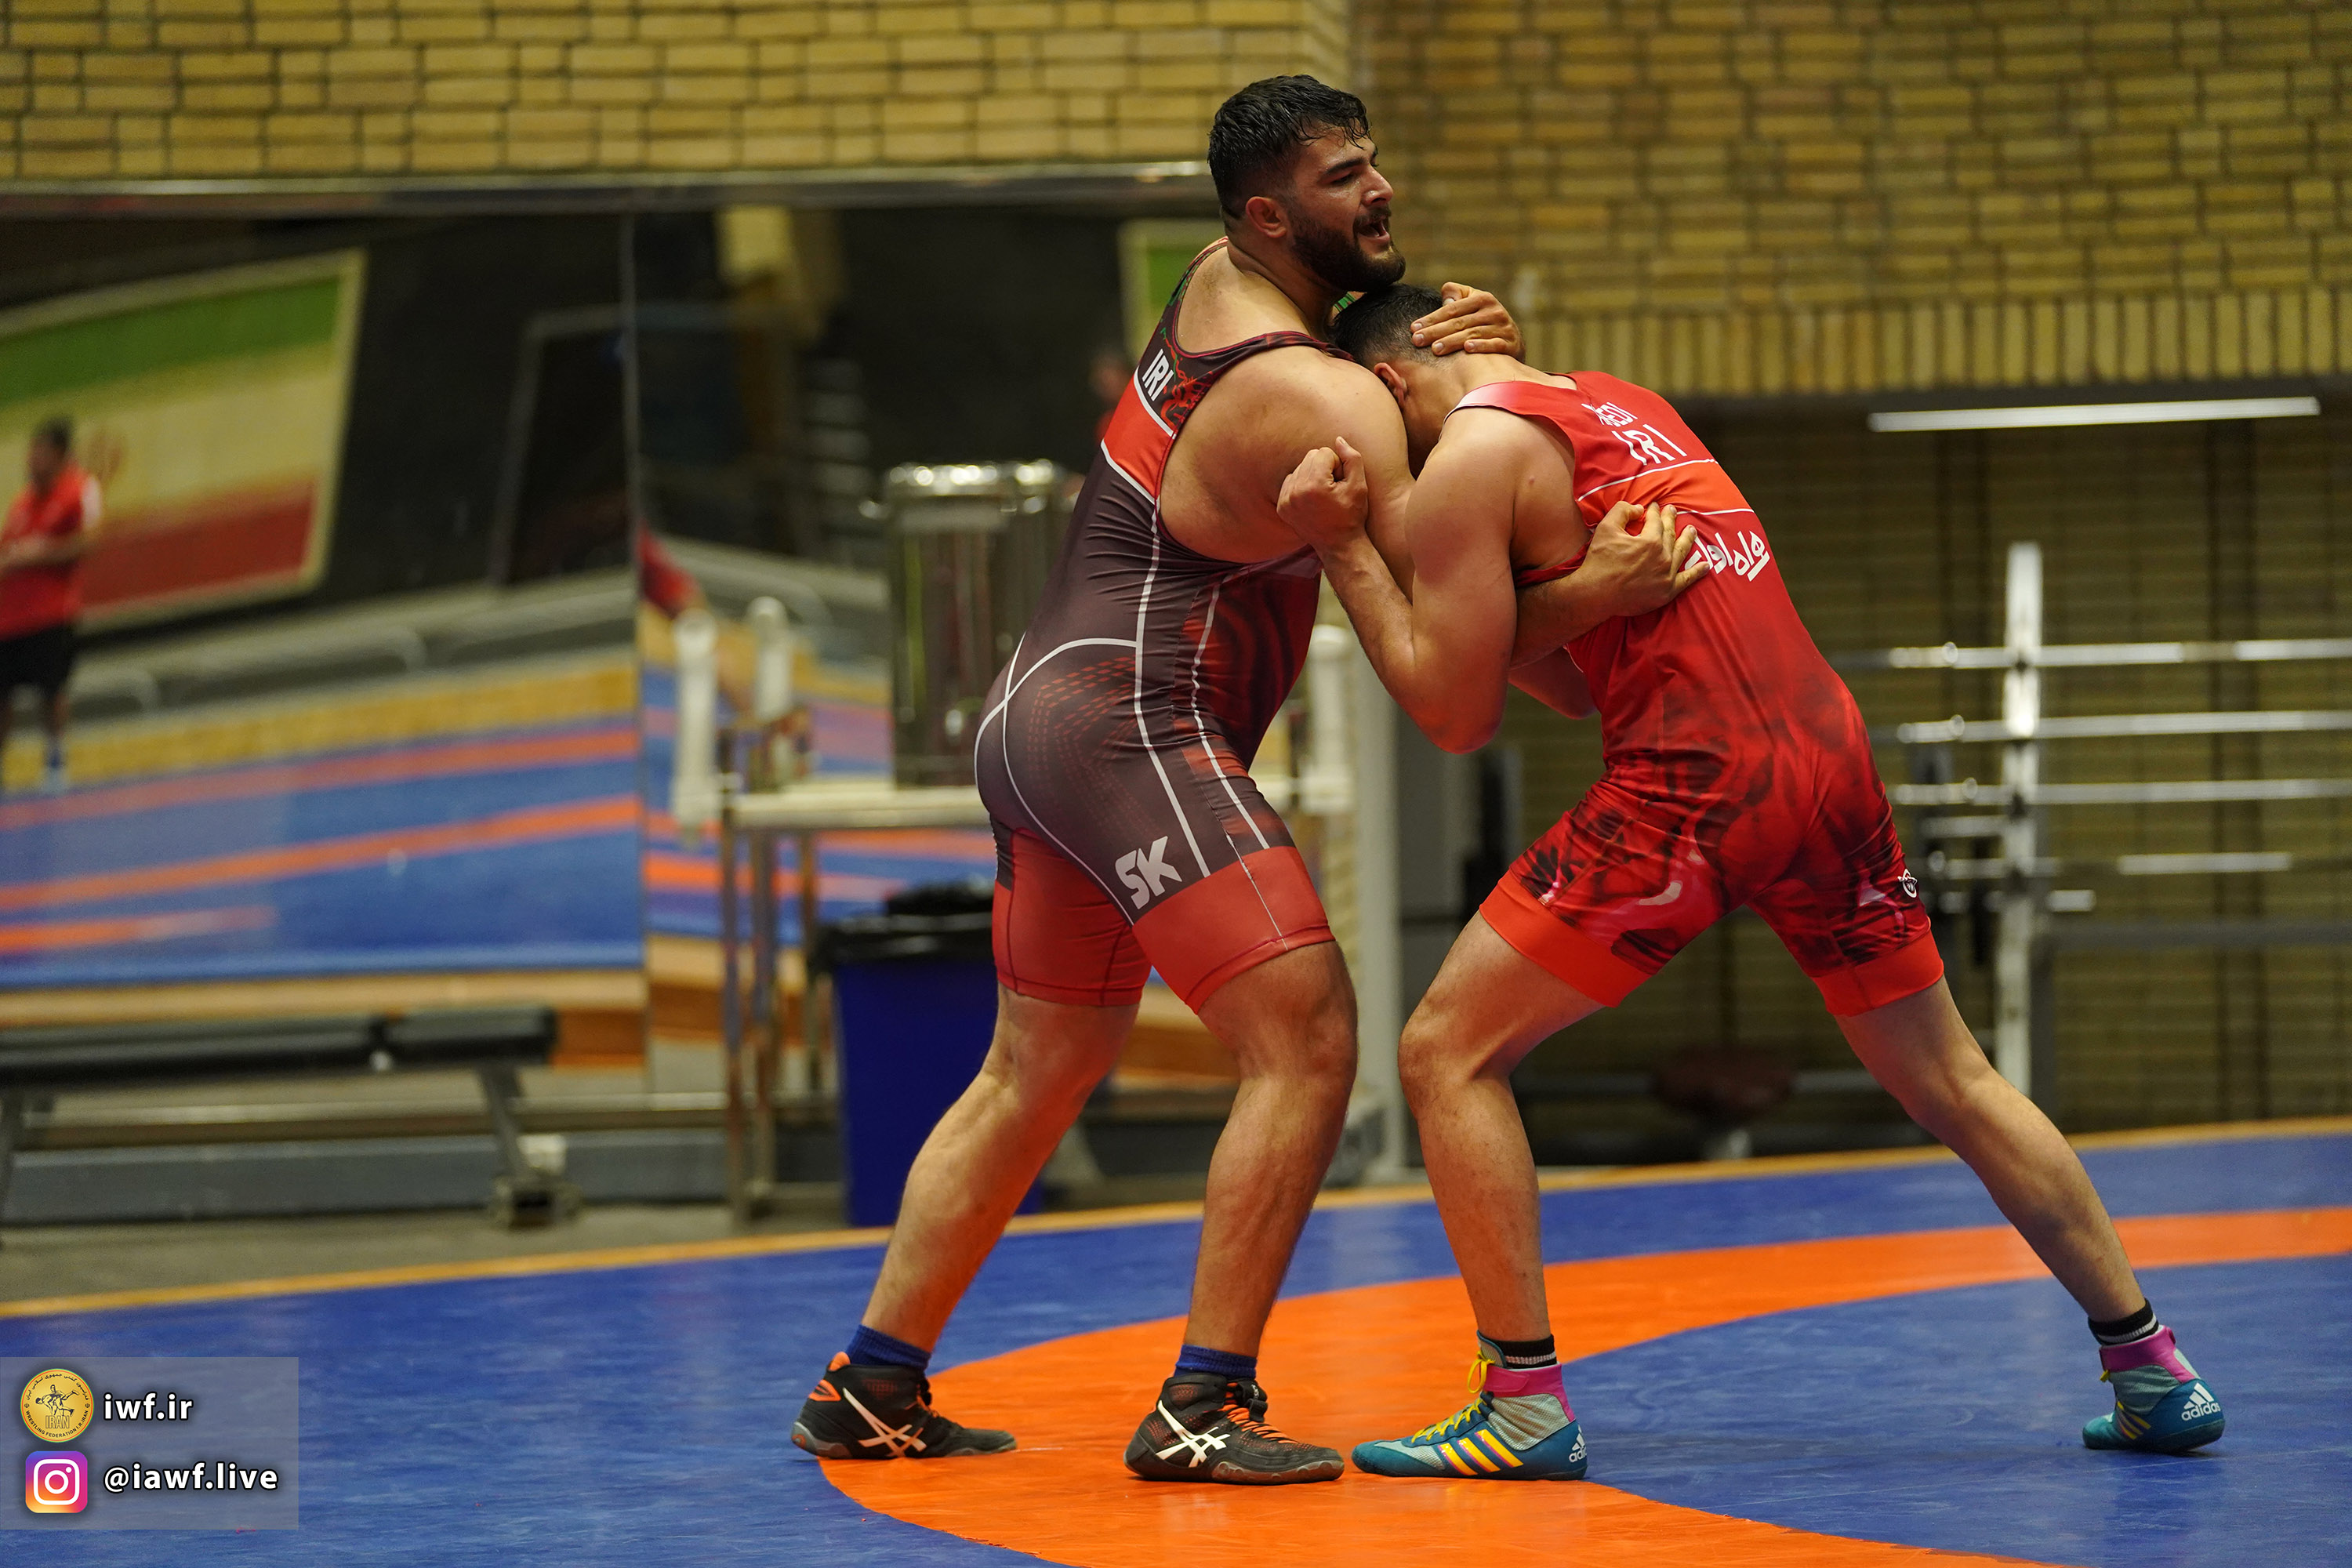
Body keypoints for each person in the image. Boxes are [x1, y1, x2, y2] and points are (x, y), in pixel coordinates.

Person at [789, 77, 1704, 1485]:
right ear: (1271, 216)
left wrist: (1460, 362)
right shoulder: (1320, 400)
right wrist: (1593, 581)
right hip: (1128, 728)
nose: (1380, 190)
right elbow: (1454, 683)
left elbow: (1366, 348)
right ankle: (1200, 1404)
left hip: (1042, 720)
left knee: (1036, 1067)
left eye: (1374, 162)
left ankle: (871, 1384)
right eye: (1346, 179)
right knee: (1308, 1037)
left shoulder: (1225, 289)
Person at [1272, 281, 2227, 1482]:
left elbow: (1452, 712)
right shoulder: (1630, 406)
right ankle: (2153, 1371)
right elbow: (1567, 681)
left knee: (1444, 1053)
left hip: (1698, 781)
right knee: (1953, 1077)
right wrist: (1579, 596)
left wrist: (1345, 546)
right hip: (1829, 755)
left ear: (1390, 380)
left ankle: (1520, 1405)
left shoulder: (1469, 458)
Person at [0, 417, 104, 793]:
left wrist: (40, 552)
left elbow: (88, 541)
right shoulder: (22, 503)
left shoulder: (79, 489)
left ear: (59, 454)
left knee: (51, 691)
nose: (32, 459)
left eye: (40, 451)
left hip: (50, 615)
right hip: (8, 619)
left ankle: (55, 761)